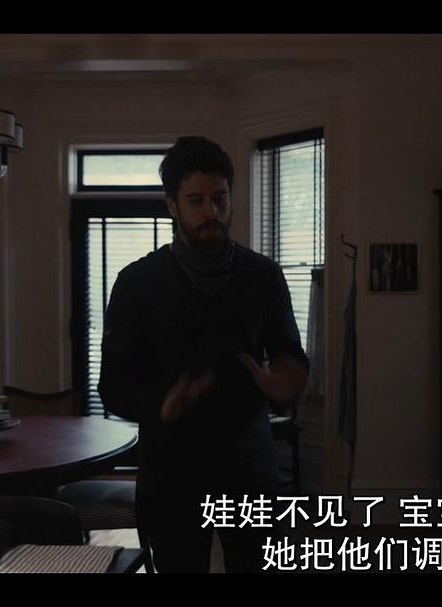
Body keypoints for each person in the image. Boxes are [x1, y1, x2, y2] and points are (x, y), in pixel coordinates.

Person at [98, 136, 309, 572]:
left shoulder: (263, 276)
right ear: (172, 205)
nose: (211, 211)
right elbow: (113, 385)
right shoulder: (136, 282)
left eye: (220, 198)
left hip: (249, 467)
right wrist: (163, 405)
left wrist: (278, 381)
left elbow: (290, 358)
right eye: (196, 201)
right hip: (172, 471)